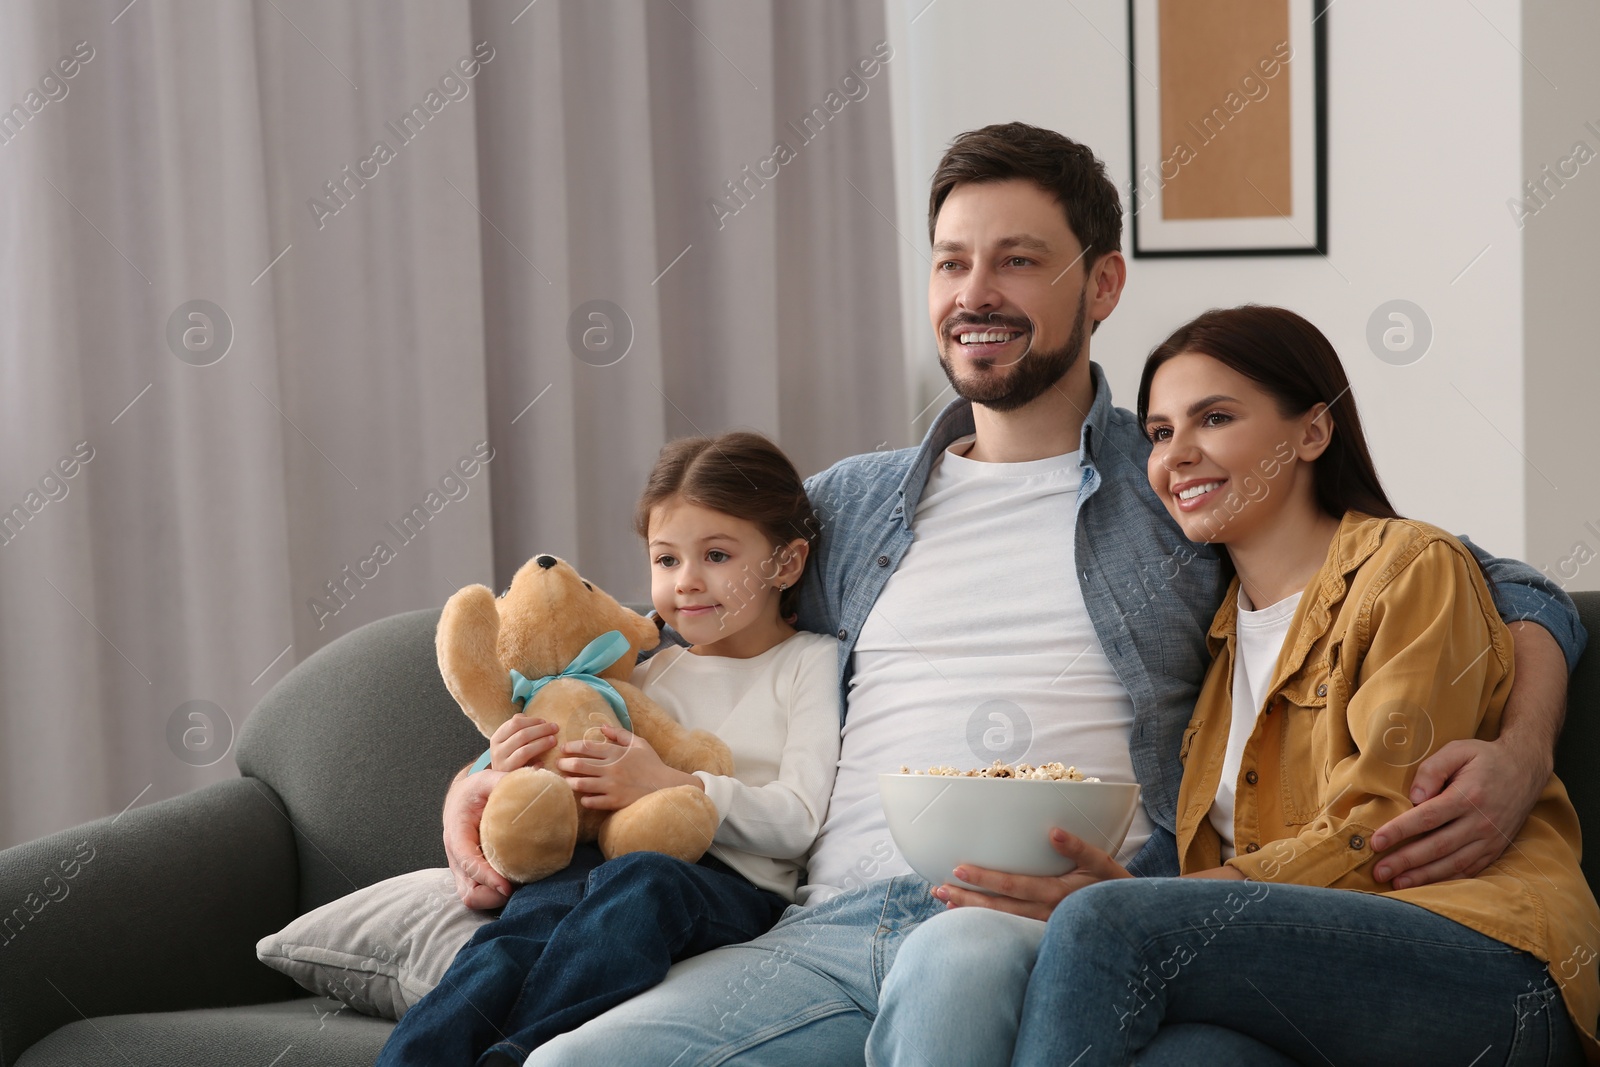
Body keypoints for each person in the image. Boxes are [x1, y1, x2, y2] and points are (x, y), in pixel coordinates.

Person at [442, 124, 1587, 1065]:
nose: (974, 292)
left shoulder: (1178, 486)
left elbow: (1498, 579)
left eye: (1017, 260)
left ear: (1101, 284)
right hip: (822, 924)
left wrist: (1524, 740)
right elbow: (636, 640)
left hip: (1045, 924)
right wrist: (492, 764)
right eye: (951, 261)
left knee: (957, 964)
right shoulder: (845, 506)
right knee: (573, 1061)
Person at [883, 308, 1600, 1065]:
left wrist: (1139, 906)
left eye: (1214, 418)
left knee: (1102, 925)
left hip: (1485, 963)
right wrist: (1135, 884)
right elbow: (1242, 873)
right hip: (1310, 980)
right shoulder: (1221, 642)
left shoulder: (1409, 569)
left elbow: (1377, 830)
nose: (1175, 455)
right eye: (1158, 433)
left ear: (1313, 433)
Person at [376, 430, 841, 1065]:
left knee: (639, 885)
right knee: (517, 933)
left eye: (718, 556)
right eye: (667, 560)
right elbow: (561, 755)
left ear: (785, 564)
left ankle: (515, 1056)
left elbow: (800, 822)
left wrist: (667, 786)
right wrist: (506, 766)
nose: (688, 583)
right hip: (600, 860)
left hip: (733, 887)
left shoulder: (808, 663)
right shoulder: (640, 674)